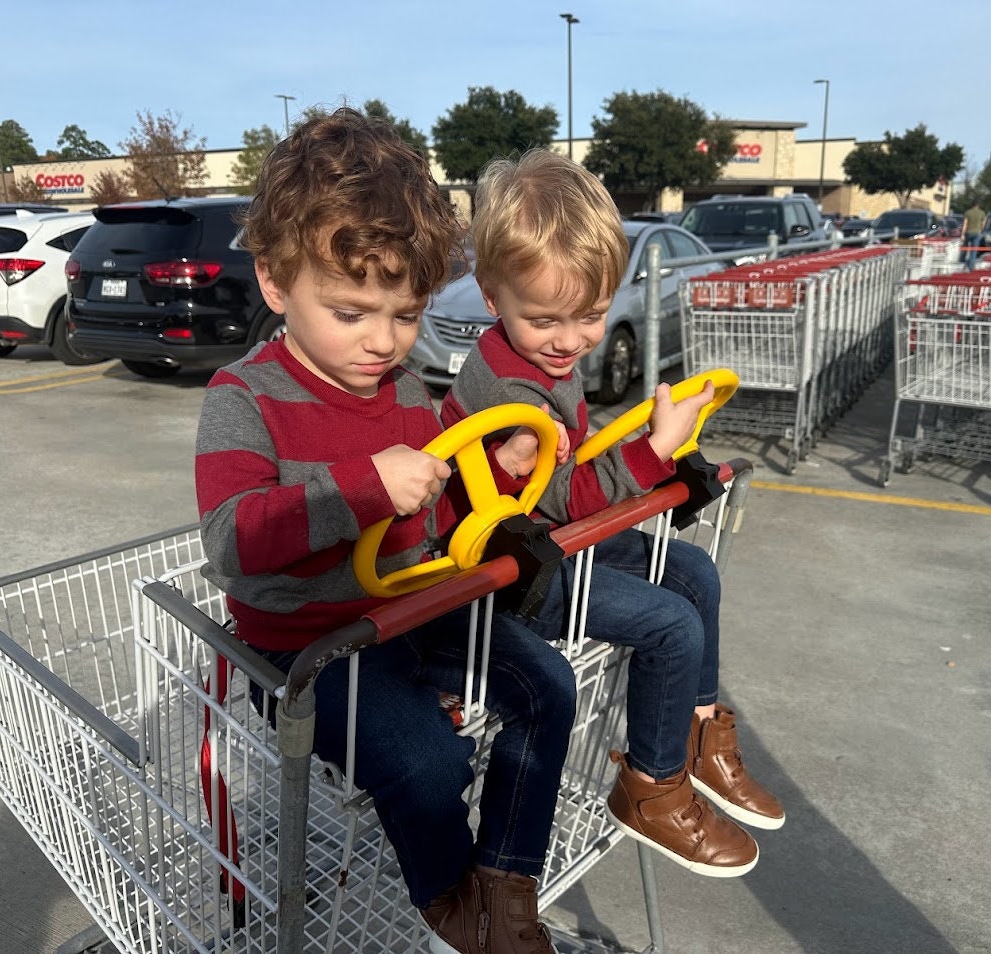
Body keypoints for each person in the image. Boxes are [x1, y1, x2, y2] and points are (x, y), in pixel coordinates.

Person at [194, 108, 576, 954]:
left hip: (407, 613)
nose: (381, 341)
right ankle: (453, 906)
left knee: (546, 685)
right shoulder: (244, 397)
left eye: (404, 315)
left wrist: (498, 478)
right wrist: (366, 488)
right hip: (306, 651)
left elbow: (432, 517)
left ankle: (506, 885)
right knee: (427, 761)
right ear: (274, 281)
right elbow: (233, 537)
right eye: (351, 311)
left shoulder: (407, 392)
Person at [441, 149, 784, 880]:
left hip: (549, 543)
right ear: (490, 294)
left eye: (592, 314)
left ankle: (696, 733)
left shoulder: (535, 363)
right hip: (508, 576)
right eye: (546, 320)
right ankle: (651, 786)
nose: (572, 340)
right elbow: (567, 497)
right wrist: (653, 450)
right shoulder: (511, 397)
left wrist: (639, 440)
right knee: (671, 622)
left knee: (691, 568)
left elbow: (570, 474)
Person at [963, 202, 986, 269]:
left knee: (965, 248)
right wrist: (982, 231)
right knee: (974, 250)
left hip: (968, 232)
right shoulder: (982, 213)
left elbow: (965, 224)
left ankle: (962, 262)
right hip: (977, 233)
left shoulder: (968, 212)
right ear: (978, 206)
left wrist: (962, 234)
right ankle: (971, 266)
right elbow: (983, 224)